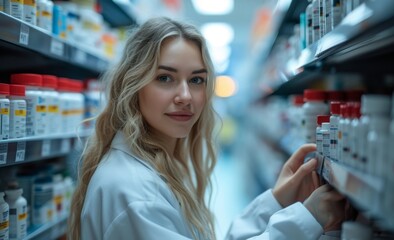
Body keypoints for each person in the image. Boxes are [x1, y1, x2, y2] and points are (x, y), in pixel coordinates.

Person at [68, 17, 346, 240]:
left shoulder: (155, 166)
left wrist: (275, 202)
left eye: (197, 80)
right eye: (165, 78)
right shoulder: (135, 194)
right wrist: (305, 220)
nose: (186, 96)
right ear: (132, 86)